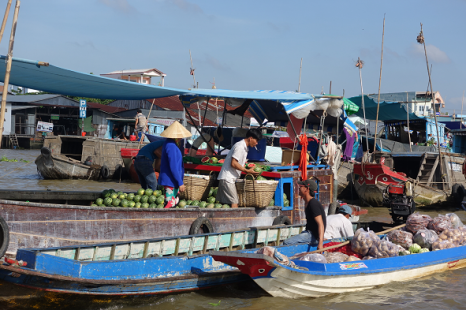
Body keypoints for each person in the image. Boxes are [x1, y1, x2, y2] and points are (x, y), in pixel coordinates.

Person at [217, 128, 262, 209]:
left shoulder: (244, 147)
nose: (257, 143)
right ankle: (235, 221)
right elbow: (233, 163)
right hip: (228, 178)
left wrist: (249, 166)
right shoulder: (240, 146)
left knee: (223, 203)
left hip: (229, 178)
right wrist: (247, 170)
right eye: (256, 140)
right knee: (234, 202)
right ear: (250, 138)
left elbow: (239, 163)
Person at [283, 179, 326, 249]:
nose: (299, 188)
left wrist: (320, 243)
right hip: (308, 233)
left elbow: (321, 224)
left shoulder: (313, 204)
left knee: (286, 242)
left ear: (307, 189)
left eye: (301, 186)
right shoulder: (307, 203)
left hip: (312, 236)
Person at [158, 121, 192, 208]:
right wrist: (180, 182)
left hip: (172, 181)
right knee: (170, 205)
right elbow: (173, 166)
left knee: (173, 204)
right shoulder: (171, 146)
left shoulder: (170, 144)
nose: (181, 137)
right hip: (170, 181)